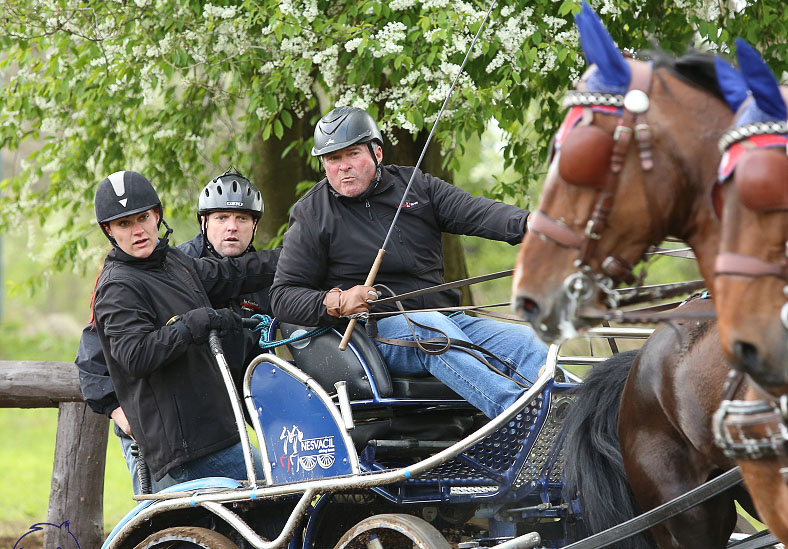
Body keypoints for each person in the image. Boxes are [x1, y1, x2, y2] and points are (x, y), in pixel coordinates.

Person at [271, 106, 548, 419]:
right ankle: (524, 416)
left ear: (377, 152)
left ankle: (559, 423)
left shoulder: (417, 186)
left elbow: (479, 213)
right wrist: (338, 301)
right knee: (434, 331)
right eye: (333, 159)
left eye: (353, 154)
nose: (343, 167)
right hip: (376, 336)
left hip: (449, 318)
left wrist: (530, 223)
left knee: (528, 342)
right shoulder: (311, 214)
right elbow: (283, 296)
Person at [77, 170, 271, 493]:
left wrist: (300, 254)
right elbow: (114, 358)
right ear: (109, 230)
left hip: (211, 428)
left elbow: (235, 274)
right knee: (276, 491)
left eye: (143, 218)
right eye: (124, 224)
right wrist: (117, 411)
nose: (138, 230)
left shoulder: (173, 262)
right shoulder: (117, 286)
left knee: (272, 500)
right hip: (175, 442)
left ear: (157, 215)